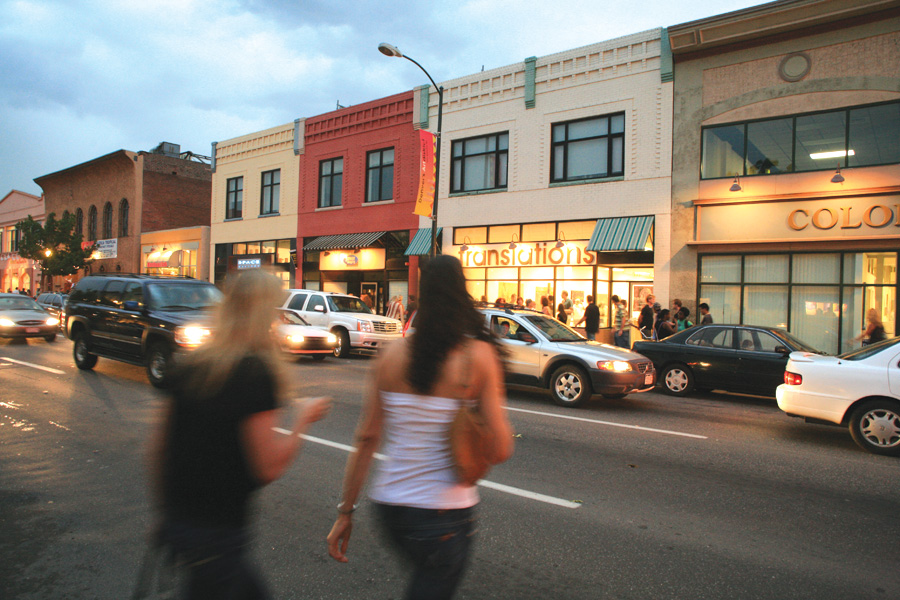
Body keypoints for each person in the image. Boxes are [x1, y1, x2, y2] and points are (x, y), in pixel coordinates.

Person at [327, 255, 513, 600]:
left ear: (421, 296)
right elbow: (501, 449)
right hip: (444, 514)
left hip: (391, 509)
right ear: (462, 293)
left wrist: (345, 512)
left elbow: (367, 438)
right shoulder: (479, 357)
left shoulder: (390, 355)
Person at [150, 268, 331, 599]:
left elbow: (159, 450)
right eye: (275, 308)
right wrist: (302, 420)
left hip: (183, 523)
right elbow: (268, 467)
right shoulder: (255, 373)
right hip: (219, 531)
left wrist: (167, 513)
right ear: (265, 312)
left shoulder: (192, 363)